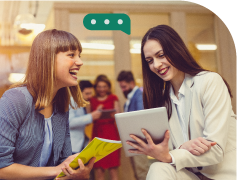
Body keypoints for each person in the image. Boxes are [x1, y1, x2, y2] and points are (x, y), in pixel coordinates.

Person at [0, 29, 96, 180]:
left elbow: (62, 162)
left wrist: (76, 173)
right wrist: (56, 170)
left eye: (79, 55)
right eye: (71, 55)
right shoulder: (15, 99)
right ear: (48, 59)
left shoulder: (61, 103)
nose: (80, 62)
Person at [126, 24, 237, 180]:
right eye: (150, 60)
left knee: (164, 163)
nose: (156, 65)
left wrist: (172, 155)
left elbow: (215, 150)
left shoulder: (209, 82)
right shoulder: (163, 101)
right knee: (158, 167)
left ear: (175, 50)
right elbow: (166, 153)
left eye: (161, 55)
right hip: (192, 175)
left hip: (224, 175)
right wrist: (182, 148)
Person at [117, 70, 149, 180]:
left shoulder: (138, 95)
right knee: (137, 172)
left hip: (139, 140)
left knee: (142, 172)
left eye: (124, 86)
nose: (123, 90)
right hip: (132, 140)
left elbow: (139, 116)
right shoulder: (129, 99)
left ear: (131, 83)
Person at [89, 74, 121, 180]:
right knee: (98, 169)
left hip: (111, 133)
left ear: (108, 87)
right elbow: (89, 117)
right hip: (98, 134)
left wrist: (114, 115)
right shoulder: (91, 100)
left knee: (113, 169)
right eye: (99, 86)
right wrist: (96, 111)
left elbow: (119, 115)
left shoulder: (113, 98)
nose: (102, 89)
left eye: (104, 86)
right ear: (96, 88)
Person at [69, 80, 102, 154]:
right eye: (87, 93)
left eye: (91, 93)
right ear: (78, 92)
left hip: (82, 144)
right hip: (73, 145)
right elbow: (70, 122)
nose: (90, 96)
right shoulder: (71, 102)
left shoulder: (83, 103)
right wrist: (90, 116)